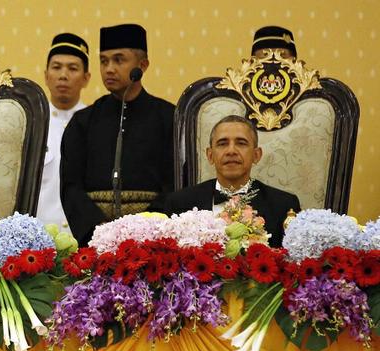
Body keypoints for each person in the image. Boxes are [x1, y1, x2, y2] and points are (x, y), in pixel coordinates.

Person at [60, 23, 175, 246]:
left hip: (152, 240)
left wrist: (144, 230)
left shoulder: (169, 118)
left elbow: (176, 185)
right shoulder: (83, 122)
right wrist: (99, 231)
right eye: (104, 61)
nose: (109, 69)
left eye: (119, 60)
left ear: (142, 65)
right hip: (96, 240)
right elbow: (70, 187)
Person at [154, 115, 300, 248]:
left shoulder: (284, 206)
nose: (231, 151)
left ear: (256, 155)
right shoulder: (179, 204)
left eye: (241, 143)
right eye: (222, 143)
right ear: (210, 155)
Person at [36, 33, 90, 229]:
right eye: (56, 67)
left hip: (84, 237)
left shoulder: (95, 124)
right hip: (39, 238)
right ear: (46, 75)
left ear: (86, 78)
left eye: (73, 68)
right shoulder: (34, 124)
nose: (63, 75)